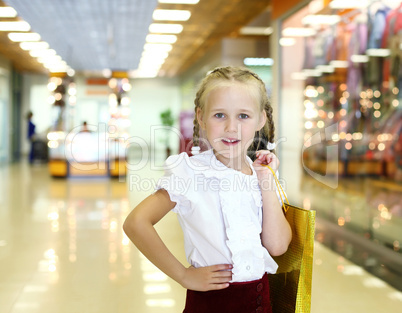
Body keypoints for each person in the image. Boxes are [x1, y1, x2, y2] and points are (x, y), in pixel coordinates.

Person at [123, 66, 292, 313]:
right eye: (219, 115)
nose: (231, 127)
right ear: (201, 117)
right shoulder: (190, 172)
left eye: (243, 116)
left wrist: (266, 181)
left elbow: (277, 246)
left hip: (260, 302)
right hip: (211, 304)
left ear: (261, 119)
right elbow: (136, 222)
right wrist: (183, 275)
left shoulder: (261, 174)